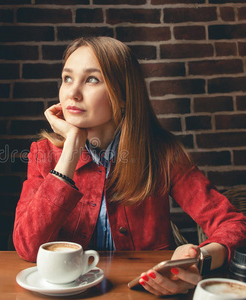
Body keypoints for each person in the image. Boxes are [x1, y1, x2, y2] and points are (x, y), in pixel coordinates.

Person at [13, 36, 246, 296]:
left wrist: (198, 260)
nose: (72, 92)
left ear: (123, 95)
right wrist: (72, 149)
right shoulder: (43, 153)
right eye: (67, 78)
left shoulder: (163, 153)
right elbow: (28, 247)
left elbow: (232, 223)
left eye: (92, 79)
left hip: (145, 291)